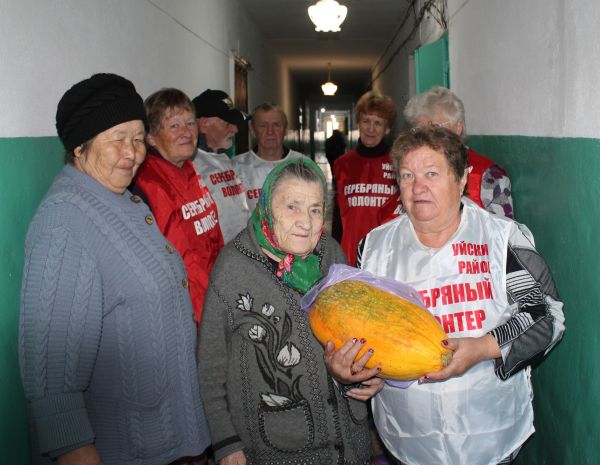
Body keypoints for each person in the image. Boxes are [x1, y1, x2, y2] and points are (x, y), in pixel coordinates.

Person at [19, 74, 211, 465]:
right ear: (80, 146)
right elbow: (52, 374)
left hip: (164, 437)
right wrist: (75, 450)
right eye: (117, 139)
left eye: (139, 139)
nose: (133, 152)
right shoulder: (65, 223)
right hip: (125, 447)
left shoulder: (124, 202)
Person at [358, 127, 565, 465]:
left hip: (490, 436)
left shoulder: (501, 239)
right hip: (407, 438)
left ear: (461, 179)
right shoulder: (374, 247)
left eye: (431, 173)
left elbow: (547, 316)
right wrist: (355, 372)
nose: (417, 186)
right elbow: (361, 330)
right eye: (407, 175)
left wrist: (482, 348)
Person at [197, 158, 384, 465]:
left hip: (349, 445)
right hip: (278, 448)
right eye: (292, 207)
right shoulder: (233, 268)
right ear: (268, 209)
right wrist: (225, 443)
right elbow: (211, 367)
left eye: (315, 209)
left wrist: (367, 374)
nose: (307, 222)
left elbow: (358, 331)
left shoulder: (331, 254)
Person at [132, 88, 223, 323]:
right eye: (173, 126)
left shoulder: (189, 170)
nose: (186, 132)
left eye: (190, 123)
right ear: (151, 137)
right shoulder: (145, 185)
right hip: (183, 314)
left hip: (212, 299)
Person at [378, 86, 513, 225]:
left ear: (458, 127)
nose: (427, 136)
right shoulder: (409, 169)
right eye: (419, 130)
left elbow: (502, 235)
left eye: (436, 128)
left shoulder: (488, 176)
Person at [332, 90, 398, 266]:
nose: (371, 128)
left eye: (378, 123)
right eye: (366, 121)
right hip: (350, 254)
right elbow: (337, 216)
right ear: (358, 123)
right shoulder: (342, 164)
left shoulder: (399, 163)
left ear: (387, 128)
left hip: (389, 255)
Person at [192, 89, 250, 242]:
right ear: (204, 124)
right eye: (227, 123)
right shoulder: (192, 164)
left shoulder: (223, 159)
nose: (235, 129)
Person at [234, 102, 305, 211]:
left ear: (285, 130)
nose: (270, 132)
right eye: (263, 125)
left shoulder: (303, 165)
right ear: (252, 130)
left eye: (277, 125)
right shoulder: (236, 167)